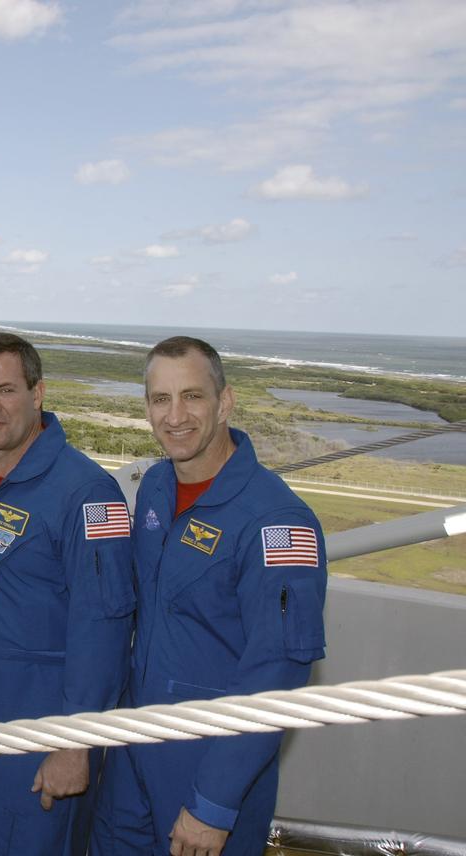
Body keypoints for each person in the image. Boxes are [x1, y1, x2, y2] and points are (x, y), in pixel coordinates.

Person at [92, 336, 328, 856]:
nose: (175, 416)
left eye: (192, 397)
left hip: (207, 765)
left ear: (224, 403)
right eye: (160, 399)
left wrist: (214, 805)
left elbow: (277, 673)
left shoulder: (278, 522)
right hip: (131, 756)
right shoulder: (155, 486)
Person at [0, 332, 135, 855]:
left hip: (42, 731)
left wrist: (73, 745)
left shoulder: (87, 493)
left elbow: (103, 625)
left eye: (6, 390)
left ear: (38, 393)